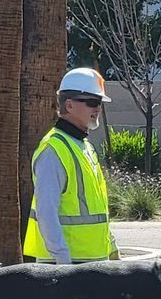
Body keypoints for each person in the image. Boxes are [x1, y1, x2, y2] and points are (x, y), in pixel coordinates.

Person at [22, 67, 118, 264]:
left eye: (99, 102)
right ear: (70, 105)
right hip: (66, 266)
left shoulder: (84, 147)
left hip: (90, 263)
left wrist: (112, 249)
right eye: (92, 102)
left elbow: (97, 209)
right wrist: (62, 261)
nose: (98, 108)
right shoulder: (53, 149)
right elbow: (46, 211)